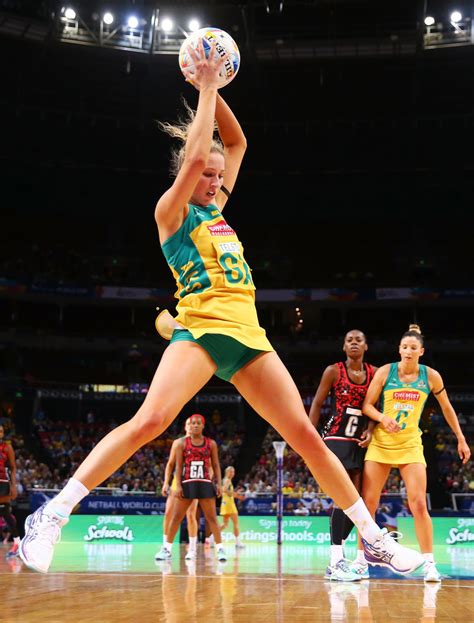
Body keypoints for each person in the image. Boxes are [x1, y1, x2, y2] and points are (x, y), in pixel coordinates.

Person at [19, 40, 425, 576]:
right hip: (201, 331)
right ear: (190, 178)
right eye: (207, 176)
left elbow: (236, 140)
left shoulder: (217, 210)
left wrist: (209, 87)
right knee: (152, 420)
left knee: (304, 435)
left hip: (249, 335)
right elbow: (194, 157)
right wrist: (207, 87)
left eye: (217, 175)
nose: (215, 181)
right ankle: (53, 514)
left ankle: (371, 539)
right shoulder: (172, 212)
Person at [361, 324, 471, 582]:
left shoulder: (431, 376)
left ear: (421, 351)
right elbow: (367, 405)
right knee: (368, 505)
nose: (408, 351)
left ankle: (430, 564)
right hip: (381, 443)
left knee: (419, 503)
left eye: (413, 348)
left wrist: (461, 438)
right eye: (404, 347)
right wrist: (382, 417)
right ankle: (360, 561)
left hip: (410, 444)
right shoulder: (386, 372)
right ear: (399, 349)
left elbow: (447, 408)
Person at [309, 329, 376, 582]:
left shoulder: (374, 373)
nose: (354, 343)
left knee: (357, 501)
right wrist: (308, 436)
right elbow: (316, 403)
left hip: (359, 442)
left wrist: (370, 431)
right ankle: (335, 559)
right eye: (349, 340)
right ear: (344, 346)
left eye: (359, 340)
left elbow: (375, 408)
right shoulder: (333, 371)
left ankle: (339, 556)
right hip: (335, 437)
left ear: (366, 346)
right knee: (343, 498)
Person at [155, 413, 226, 562]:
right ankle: (167, 548)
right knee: (175, 517)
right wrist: (177, 485)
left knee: (211, 518)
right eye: (192, 423)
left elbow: (216, 465)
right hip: (187, 483)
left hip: (205, 483)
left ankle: (220, 549)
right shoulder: (181, 443)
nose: (195, 425)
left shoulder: (211, 443)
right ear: (188, 425)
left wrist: (219, 483)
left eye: (198, 423)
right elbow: (178, 465)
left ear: (203, 425)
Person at [159, 416, 200, 561]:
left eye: (195, 424)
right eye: (189, 423)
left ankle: (193, 549)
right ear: (185, 426)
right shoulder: (178, 443)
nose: (192, 426)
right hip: (177, 483)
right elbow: (170, 464)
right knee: (168, 514)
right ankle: (165, 548)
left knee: (190, 516)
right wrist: (166, 483)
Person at [0, 424, 20, 558]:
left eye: (0, 431)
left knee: (5, 513)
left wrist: (13, 486)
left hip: (2, 483)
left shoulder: (7, 447)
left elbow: (13, 468)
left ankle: (17, 544)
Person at [220, 466, 245, 547]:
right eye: (231, 472)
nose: (233, 473)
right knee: (235, 524)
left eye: (233, 472)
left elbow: (228, 492)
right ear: (227, 472)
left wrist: (236, 494)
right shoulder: (227, 480)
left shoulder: (226, 480)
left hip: (225, 503)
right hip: (229, 504)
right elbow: (224, 490)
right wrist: (238, 496)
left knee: (225, 524)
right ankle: (238, 543)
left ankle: (210, 538)